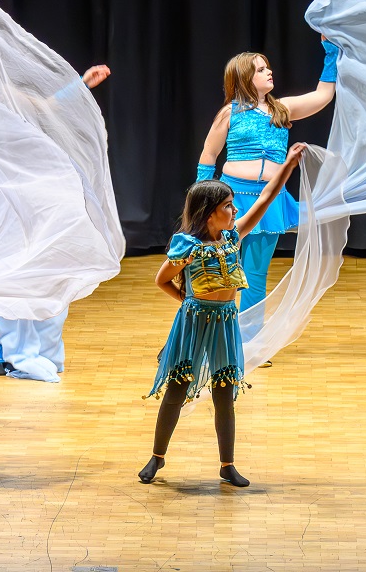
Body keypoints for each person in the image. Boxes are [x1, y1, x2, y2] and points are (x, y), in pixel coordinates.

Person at [0, 7, 113, 380]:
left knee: (41, 267)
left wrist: (81, 85)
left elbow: (50, 108)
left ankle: (40, 350)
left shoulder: (9, 96)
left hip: (23, 194)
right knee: (1, 270)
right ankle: (13, 353)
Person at [139, 143, 306, 488]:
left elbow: (264, 201)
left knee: (224, 392)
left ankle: (227, 465)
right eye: (227, 206)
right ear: (207, 213)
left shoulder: (233, 237)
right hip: (195, 321)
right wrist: (187, 300)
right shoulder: (187, 244)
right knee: (178, 388)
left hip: (226, 322)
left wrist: (287, 166)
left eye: (232, 205)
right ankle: (156, 456)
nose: (234, 210)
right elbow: (162, 279)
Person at [195, 41, 337, 360]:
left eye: (267, 66)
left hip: (268, 202)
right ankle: (204, 334)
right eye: (261, 69)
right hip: (229, 202)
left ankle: (250, 342)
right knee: (218, 271)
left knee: (255, 274)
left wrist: (331, 54)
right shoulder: (229, 113)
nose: (269, 71)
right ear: (245, 79)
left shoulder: (281, 109)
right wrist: (202, 201)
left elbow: (323, 96)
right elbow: (208, 155)